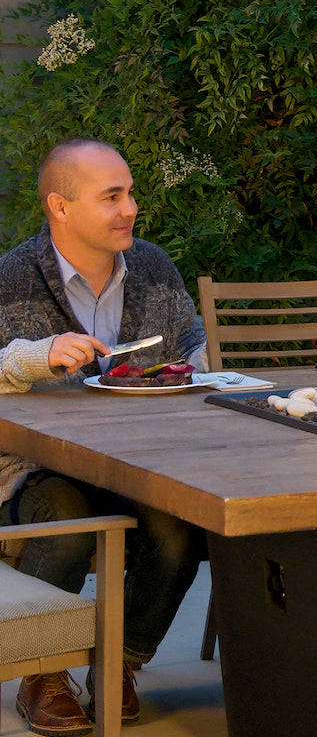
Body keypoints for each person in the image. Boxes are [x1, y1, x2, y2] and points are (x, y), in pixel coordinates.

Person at [0, 137, 208, 736]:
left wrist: (197, 362)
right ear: (60, 206)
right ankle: (45, 671)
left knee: (177, 525)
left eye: (131, 193)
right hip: (35, 467)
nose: (131, 208)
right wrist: (38, 356)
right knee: (66, 519)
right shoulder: (13, 276)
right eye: (112, 196)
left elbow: (191, 342)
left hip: (138, 460)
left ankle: (120, 661)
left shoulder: (152, 266)